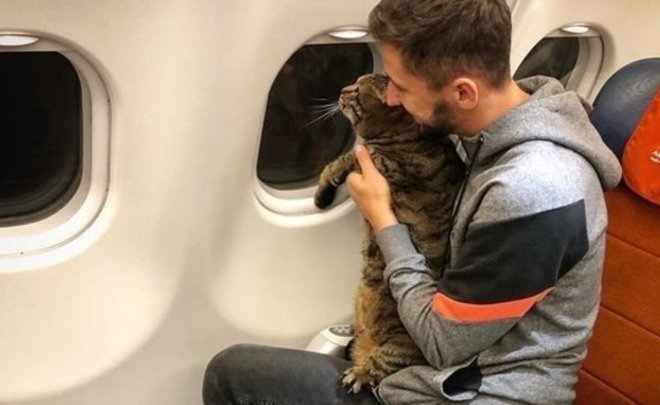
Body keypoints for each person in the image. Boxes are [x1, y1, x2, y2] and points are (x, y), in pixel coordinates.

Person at [202, 0, 622, 403]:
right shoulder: (483, 135)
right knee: (238, 368)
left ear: (463, 93)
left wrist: (384, 221)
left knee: (234, 380)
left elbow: (443, 343)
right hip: (441, 377)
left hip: (479, 393)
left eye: (401, 87)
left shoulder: (534, 189)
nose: (389, 99)